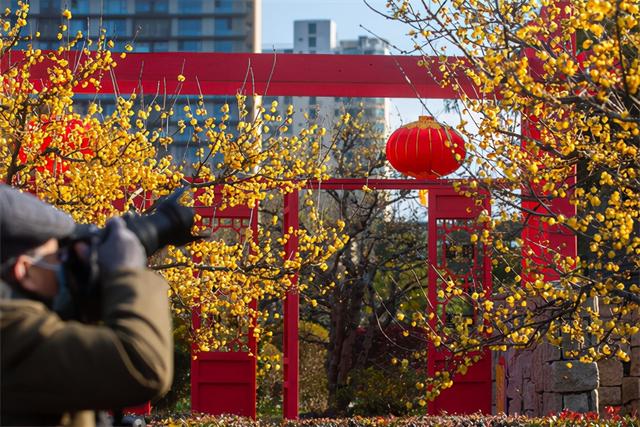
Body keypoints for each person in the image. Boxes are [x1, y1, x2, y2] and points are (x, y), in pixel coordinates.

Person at [0, 185, 174, 426]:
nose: (65, 265)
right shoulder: (11, 333)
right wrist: (126, 272)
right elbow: (141, 364)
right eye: (57, 257)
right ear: (24, 271)